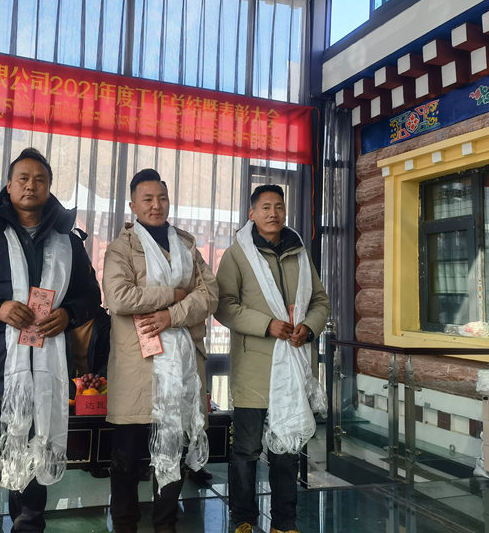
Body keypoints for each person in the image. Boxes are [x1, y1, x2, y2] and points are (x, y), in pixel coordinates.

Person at [0, 148, 101, 533]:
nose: (31, 186)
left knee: (35, 457)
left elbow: (90, 295)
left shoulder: (67, 239)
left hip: (45, 368)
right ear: (9, 185)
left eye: (39, 180)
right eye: (23, 179)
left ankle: (28, 527)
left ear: (49, 187)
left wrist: (69, 314)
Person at [103, 168, 218, 533]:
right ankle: (125, 525)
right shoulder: (121, 247)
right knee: (126, 457)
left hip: (182, 365)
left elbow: (210, 294)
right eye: (148, 199)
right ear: (133, 205)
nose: (156, 205)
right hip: (137, 368)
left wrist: (171, 315)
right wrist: (172, 293)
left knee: (172, 450)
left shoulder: (185, 245)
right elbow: (119, 297)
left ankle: (165, 524)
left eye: (162, 198)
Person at [215, 184, 330, 533]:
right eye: (265, 207)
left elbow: (320, 301)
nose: (273, 213)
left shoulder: (299, 252)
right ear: (252, 214)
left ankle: (284, 522)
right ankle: (243, 519)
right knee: (246, 450)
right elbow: (224, 305)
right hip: (254, 370)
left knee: (287, 450)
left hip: (293, 368)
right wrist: (267, 325)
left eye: (279, 206)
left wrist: (308, 328)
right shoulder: (237, 254)